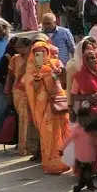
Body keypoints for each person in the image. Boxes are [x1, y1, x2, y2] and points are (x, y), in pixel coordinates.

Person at [23, 39, 71, 175]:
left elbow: (64, 82)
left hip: (59, 102)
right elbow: (32, 87)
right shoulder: (31, 69)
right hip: (43, 106)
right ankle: (52, 164)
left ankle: (66, 162)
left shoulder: (55, 63)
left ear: (48, 52)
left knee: (63, 131)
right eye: (37, 53)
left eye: (43, 52)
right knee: (48, 134)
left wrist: (59, 72)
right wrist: (39, 76)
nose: (40, 56)